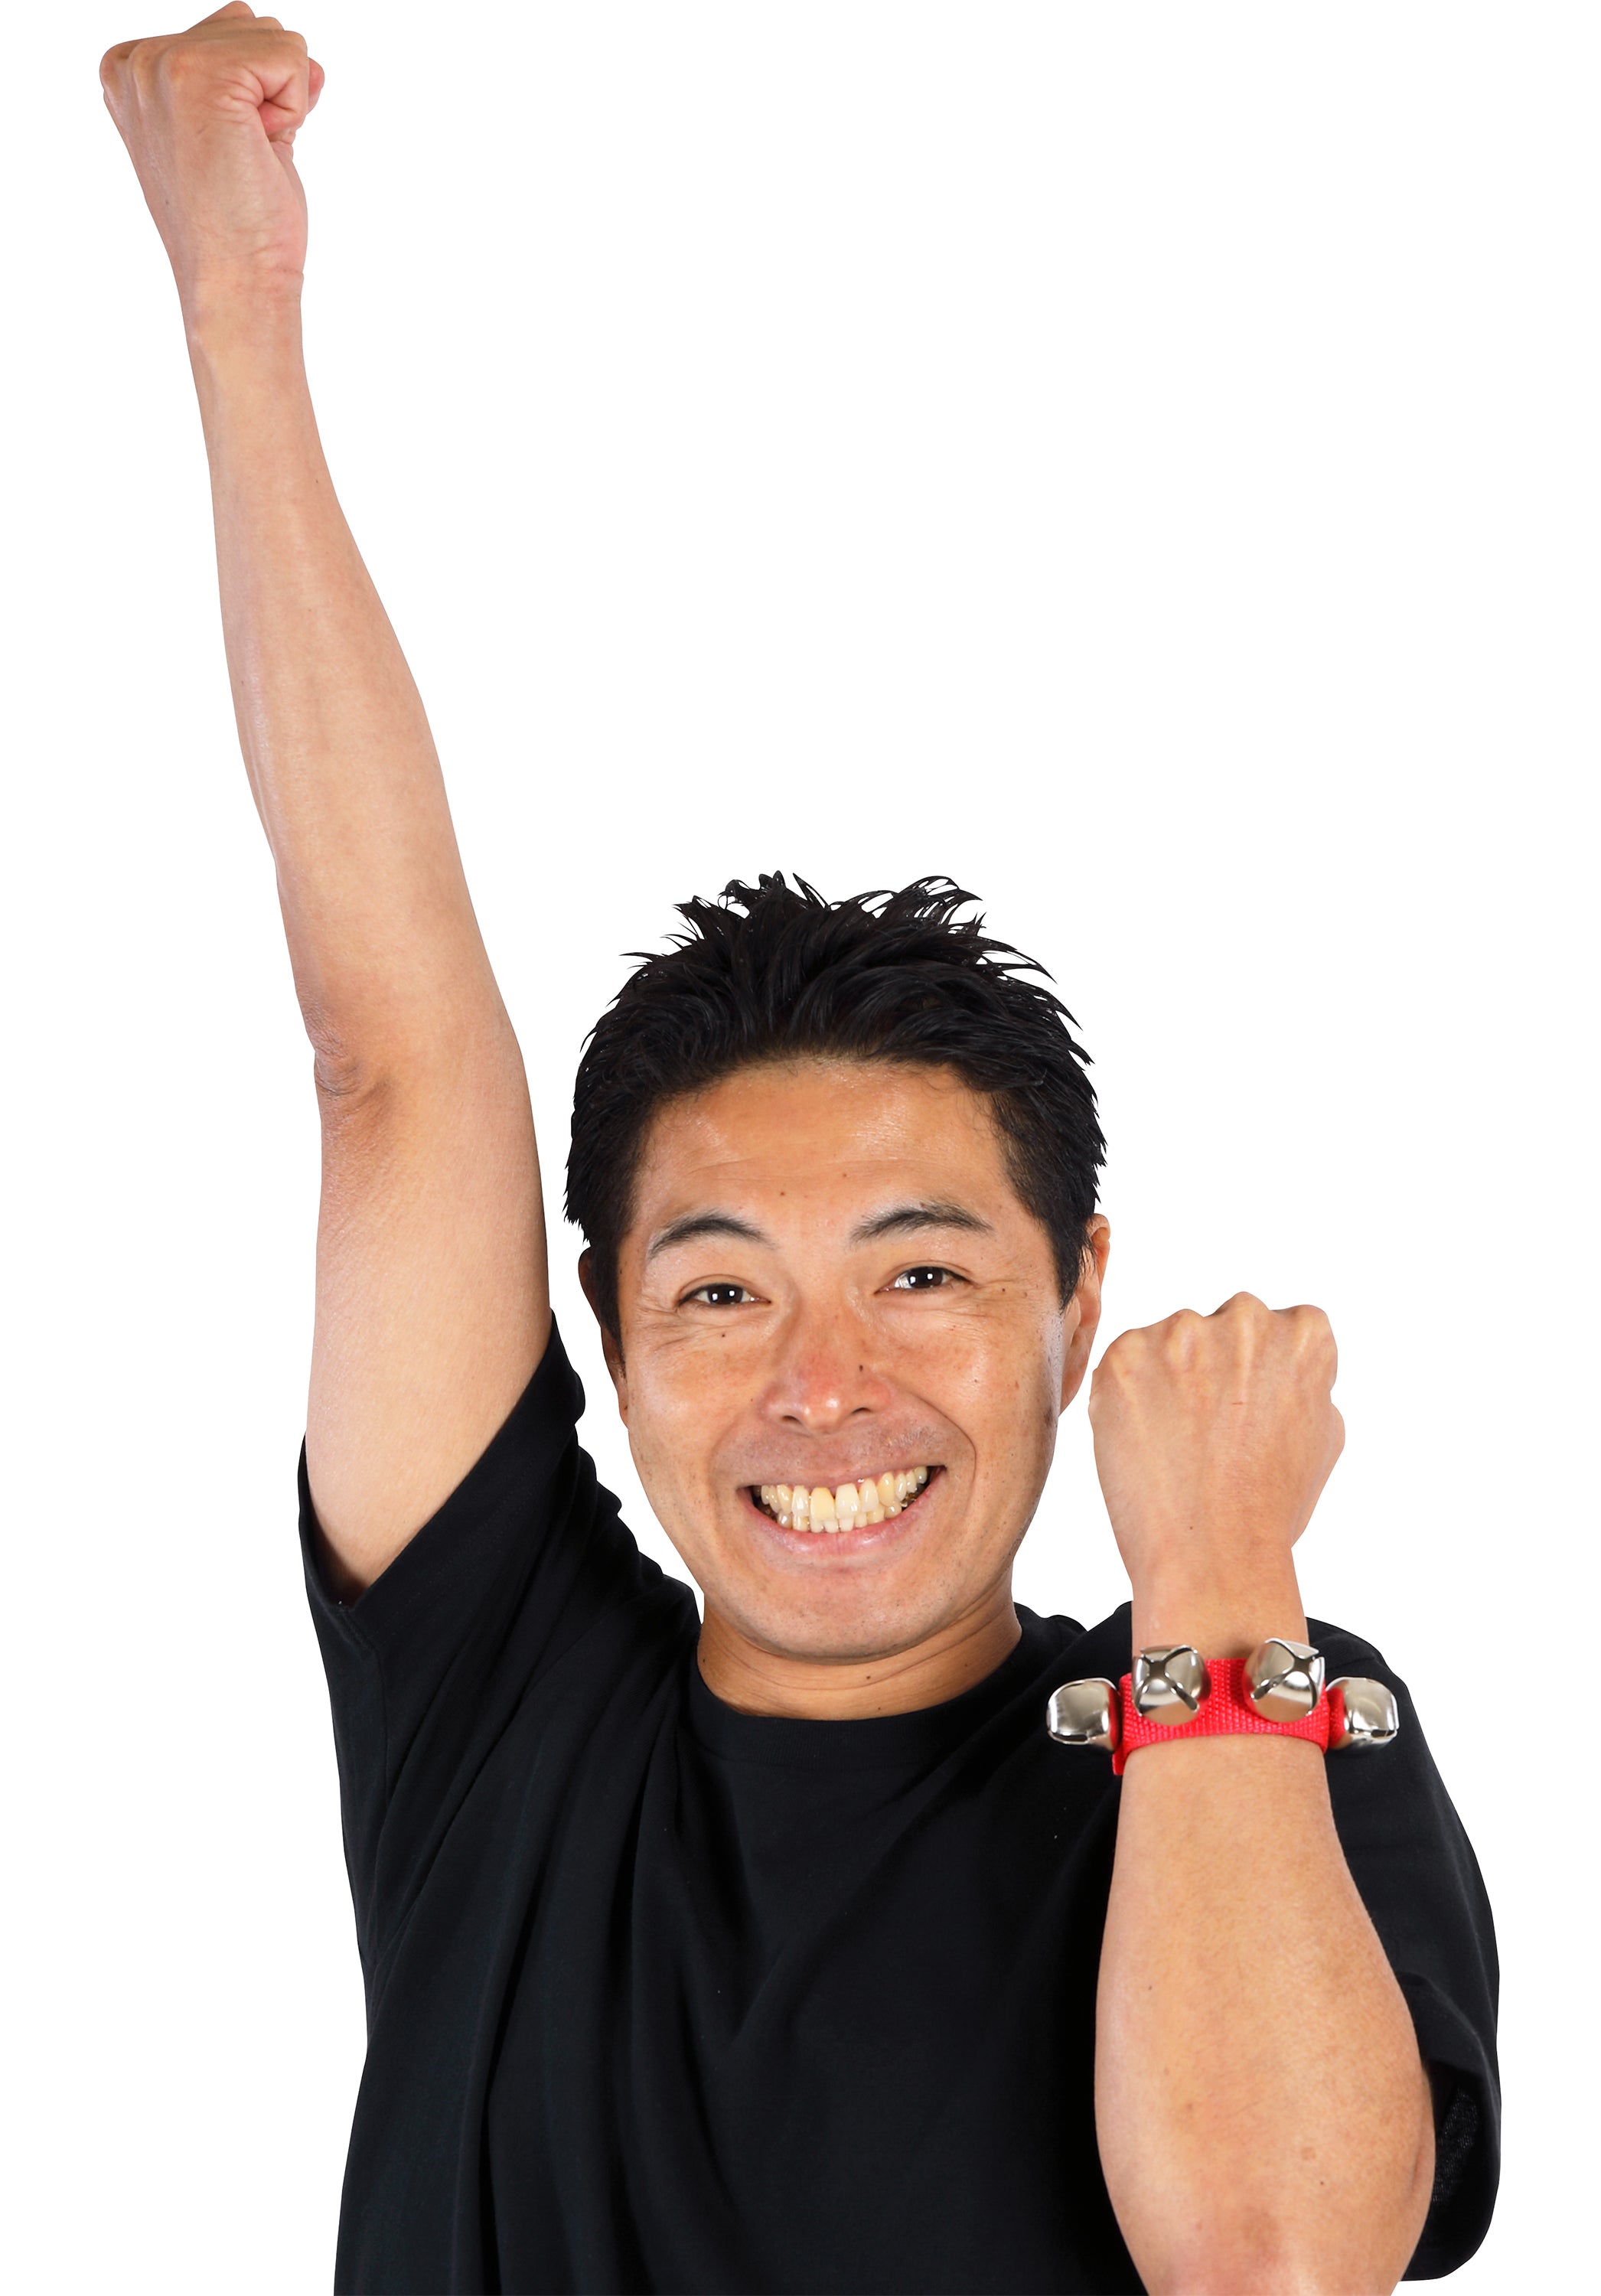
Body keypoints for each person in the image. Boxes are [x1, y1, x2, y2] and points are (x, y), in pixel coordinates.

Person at [100, 12, 1498, 2293]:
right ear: (604, 1330)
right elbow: (392, 1061)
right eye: (721, 1287)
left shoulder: (1272, 1711)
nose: (818, 1386)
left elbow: (1269, 2255)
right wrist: (233, 304)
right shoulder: (503, 1703)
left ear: (1079, 1295)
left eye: (923, 1273)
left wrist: (1221, 1577)